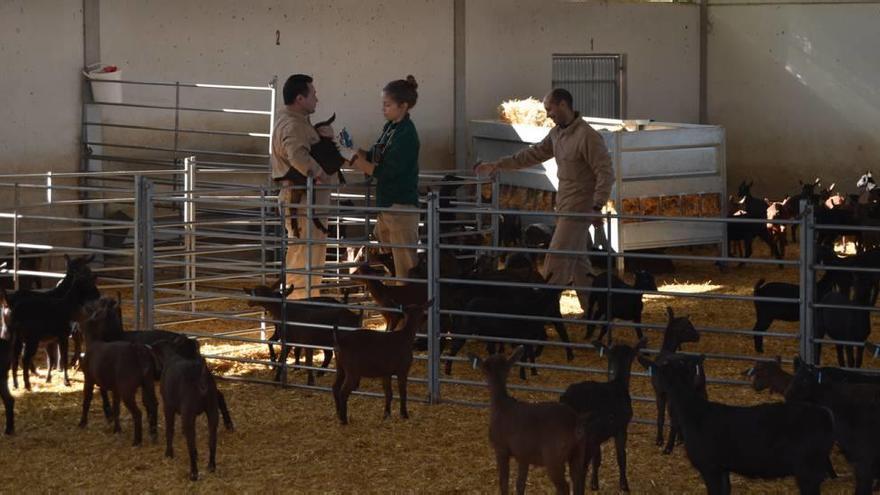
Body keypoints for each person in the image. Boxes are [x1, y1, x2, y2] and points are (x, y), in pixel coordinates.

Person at [475, 88, 614, 313]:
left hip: (579, 208)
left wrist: (597, 206)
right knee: (578, 264)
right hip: (565, 205)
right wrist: (498, 164)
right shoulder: (558, 133)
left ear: (562, 105)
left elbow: (605, 172)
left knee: (555, 260)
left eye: (549, 109)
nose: (548, 114)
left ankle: (541, 311)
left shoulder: (587, 136)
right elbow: (534, 153)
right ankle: (594, 312)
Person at [270, 73, 336, 298]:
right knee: (305, 256)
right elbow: (297, 156)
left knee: (308, 254)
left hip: (306, 200)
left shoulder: (295, 122)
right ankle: (300, 310)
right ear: (300, 99)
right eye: (313, 94)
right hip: (303, 200)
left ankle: (305, 307)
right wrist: (320, 174)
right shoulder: (292, 124)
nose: (316, 99)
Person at [350, 75, 421, 281]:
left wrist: (353, 158)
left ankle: (408, 308)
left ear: (403, 106)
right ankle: (398, 303)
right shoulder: (390, 128)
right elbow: (374, 156)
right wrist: (353, 149)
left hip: (401, 206)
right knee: (387, 256)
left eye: (388, 105)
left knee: (405, 266)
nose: (384, 109)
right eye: (383, 104)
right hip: (388, 205)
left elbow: (383, 171)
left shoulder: (406, 134)